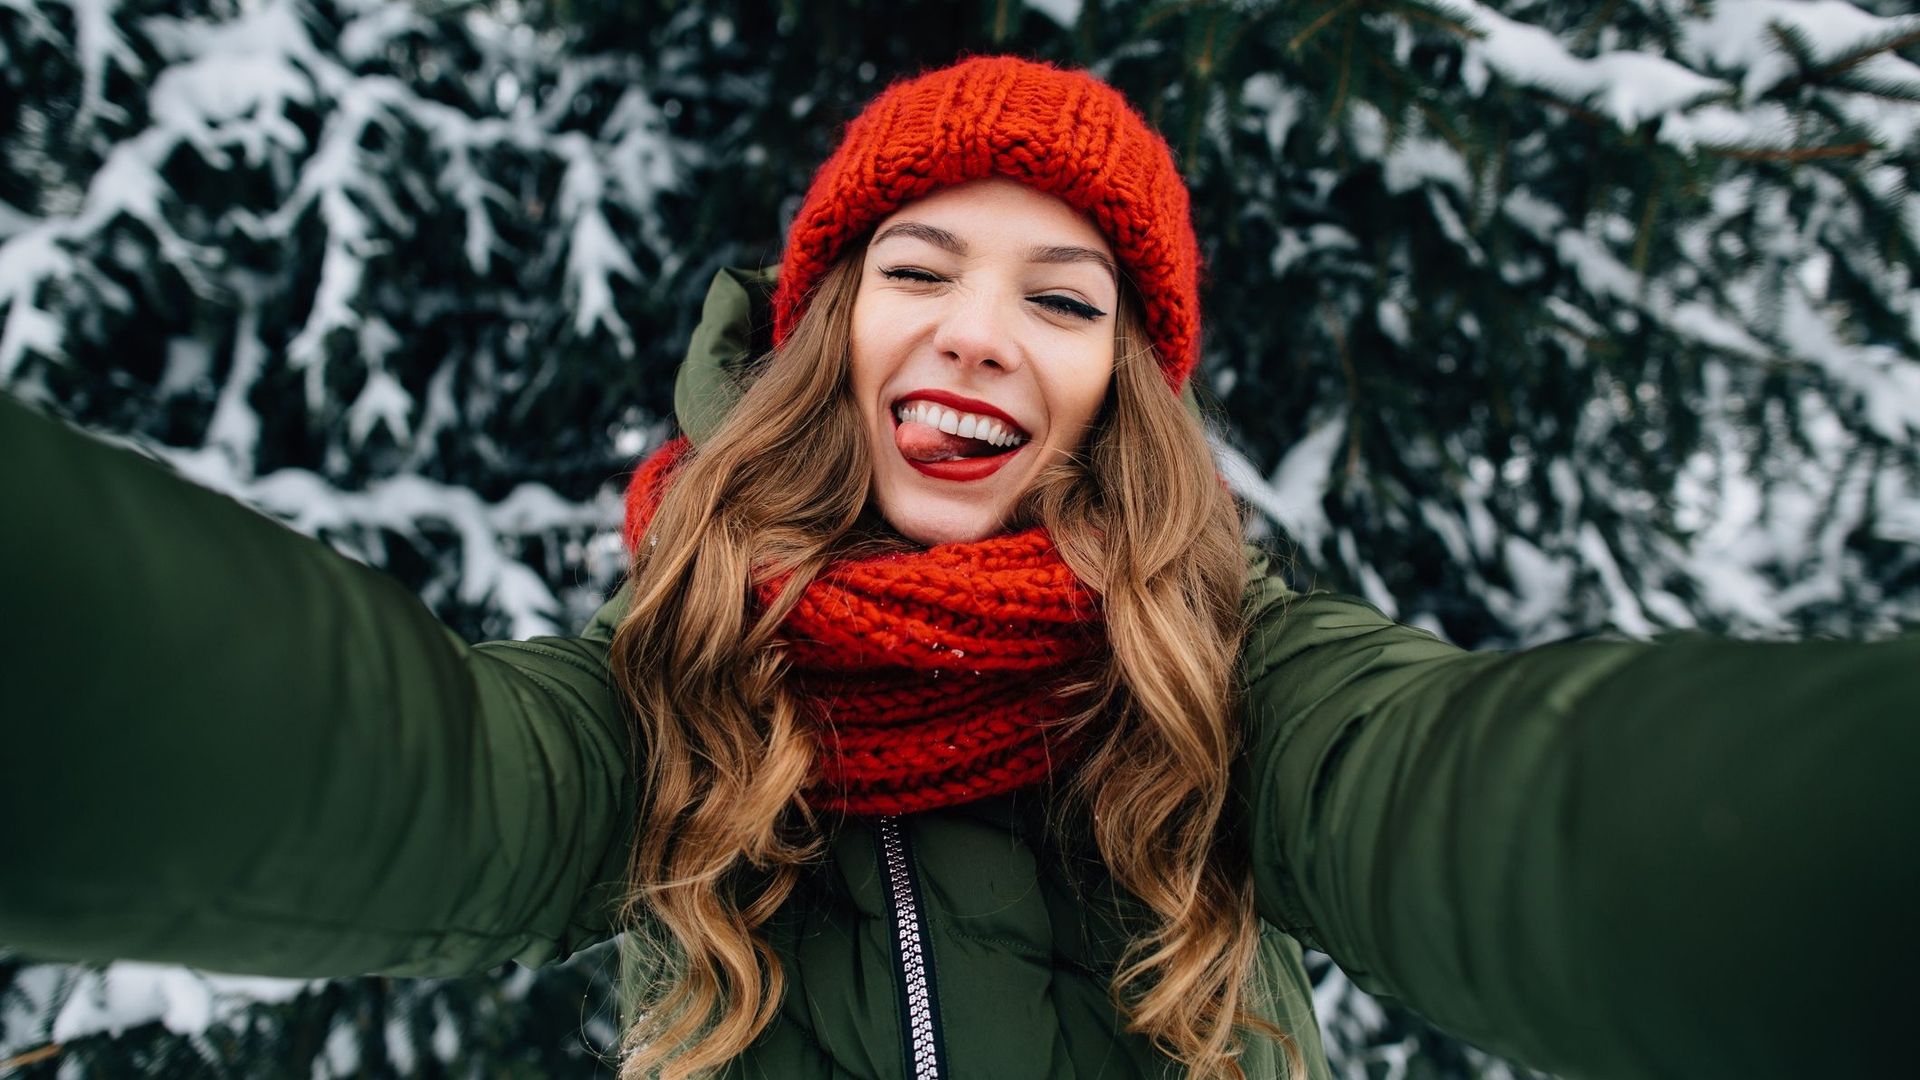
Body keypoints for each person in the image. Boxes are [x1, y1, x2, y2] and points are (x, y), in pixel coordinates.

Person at [1, 55, 1915, 1080]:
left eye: (1060, 296)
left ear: (1120, 393)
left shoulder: (1232, 678)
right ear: (827, 329)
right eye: (915, 269)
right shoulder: (668, 685)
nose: (979, 331)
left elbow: (1498, 804)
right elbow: (384, 782)